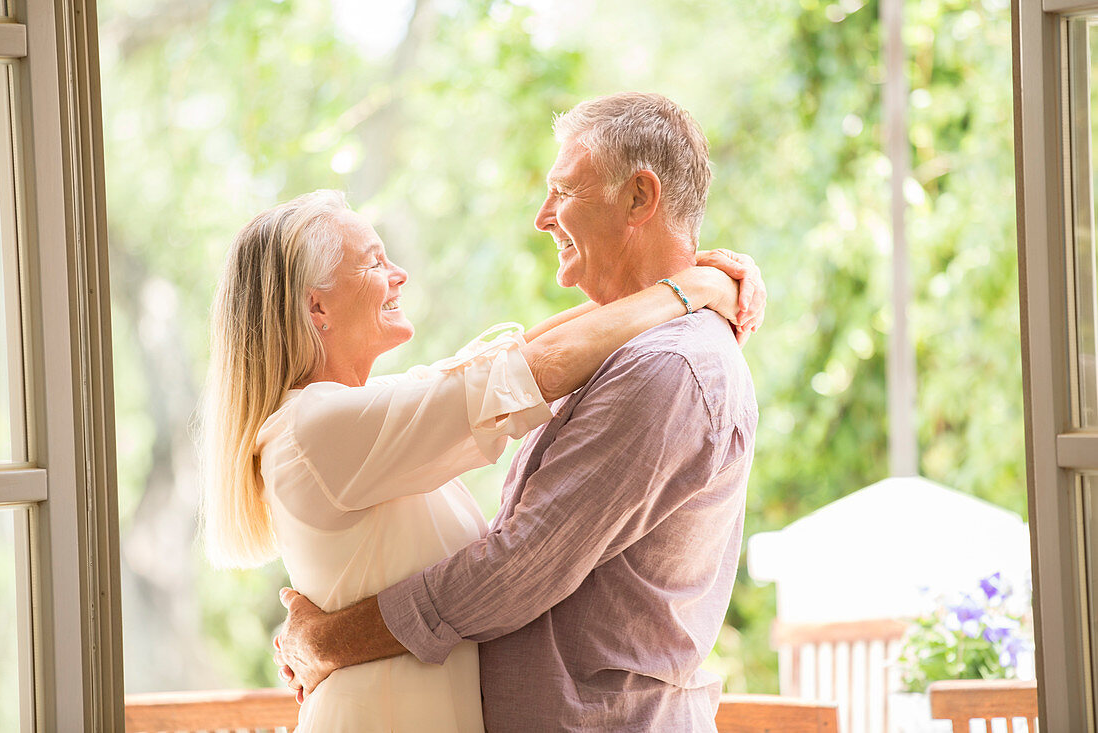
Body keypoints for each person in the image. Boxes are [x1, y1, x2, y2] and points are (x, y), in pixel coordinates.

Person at [274, 93, 762, 731]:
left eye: (563, 191)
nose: (541, 217)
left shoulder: (663, 368)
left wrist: (331, 641)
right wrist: (696, 285)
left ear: (640, 199)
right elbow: (516, 365)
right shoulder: (635, 353)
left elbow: (517, 568)